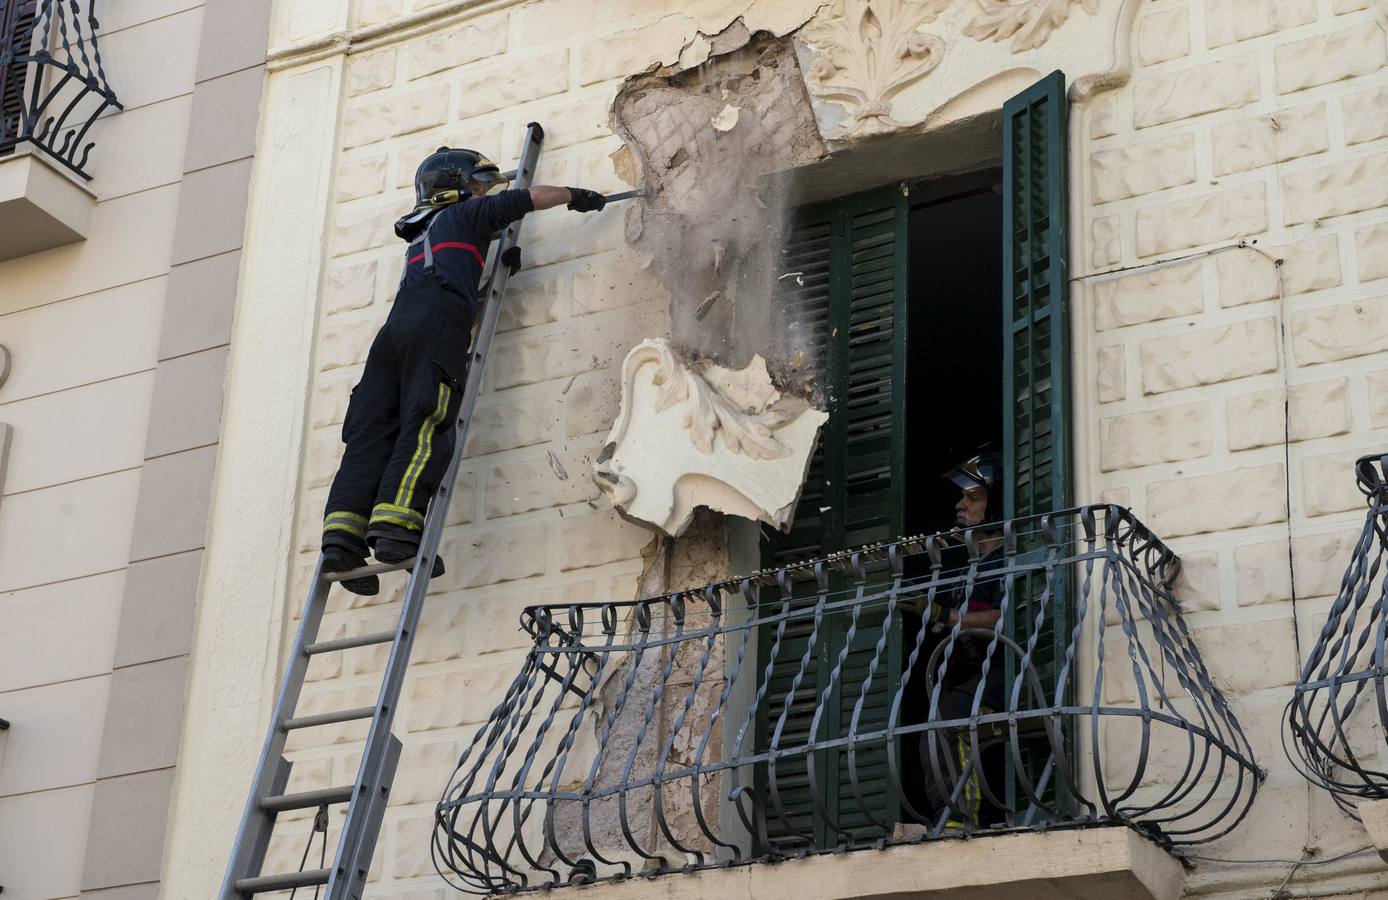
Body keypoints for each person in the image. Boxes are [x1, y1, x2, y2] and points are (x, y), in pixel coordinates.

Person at [321, 147, 608, 595]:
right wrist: (577, 194)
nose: (482, 192)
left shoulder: (422, 237)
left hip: (393, 336)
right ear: (453, 187)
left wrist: (494, 286)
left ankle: (341, 541)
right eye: (476, 184)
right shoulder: (464, 216)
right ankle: (397, 532)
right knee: (425, 423)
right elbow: (524, 200)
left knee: (370, 437)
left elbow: (451, 310)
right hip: (432, 326)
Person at [914, 452, 1007, 829]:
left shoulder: (1010, 560)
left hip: (1003, 675)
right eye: (962, 497)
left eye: (973, 497)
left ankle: (957, 819)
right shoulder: (969, 568)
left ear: (996, 506)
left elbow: (1010, 616)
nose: (960, 505)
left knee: (950, 725)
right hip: (968, 677)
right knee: (935, 731)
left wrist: (949, 617)